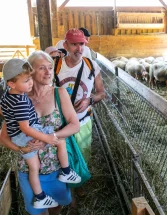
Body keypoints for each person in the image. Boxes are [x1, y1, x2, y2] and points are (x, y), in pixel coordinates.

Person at [0, 50, 80, 215]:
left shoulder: (59, 93)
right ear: (30, 70)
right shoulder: (19, 98)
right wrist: (21, 149)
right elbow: (4, 137)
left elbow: (75, 125)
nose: (48, 72)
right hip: (29, 169)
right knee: (38, 211)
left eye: (50, 67)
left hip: (56, 167)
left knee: (56, 206)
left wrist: (51, 138)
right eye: (42, 68)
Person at [55, 28, 105, 197]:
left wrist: (89, 100)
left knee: (83, 154)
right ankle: (66, 189)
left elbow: (101, 93)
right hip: (60, 123)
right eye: (74, 44)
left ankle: (79, 184)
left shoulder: (91, 66)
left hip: (83, 121)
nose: (78, 48)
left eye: (81, 44)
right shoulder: (55, 66)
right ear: (65, 45)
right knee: (62, 156)